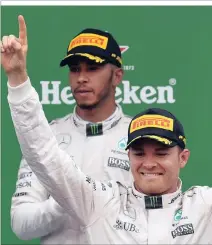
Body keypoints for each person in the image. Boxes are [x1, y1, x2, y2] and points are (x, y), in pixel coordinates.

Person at [2, 15, 212, 245]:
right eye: (139, 152)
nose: (149, 163)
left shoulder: (208, 208)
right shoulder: (101, 203)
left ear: (183, 157)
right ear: (128, 156)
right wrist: (17, 79)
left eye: (161, 152)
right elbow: (42, 152)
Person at [2, 16, 132, 244]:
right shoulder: (46, 137)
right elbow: (21, 224)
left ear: (117, 76)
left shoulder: (139, 135)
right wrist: (67, 198)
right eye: (75, 69)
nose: (81, 78)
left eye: (93, 68)